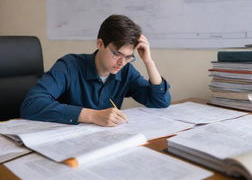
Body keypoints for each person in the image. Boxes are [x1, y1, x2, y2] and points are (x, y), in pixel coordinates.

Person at [20, 15, 171, 126]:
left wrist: (148, 61)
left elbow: (160, 101)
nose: (121, 63)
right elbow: (31, 105)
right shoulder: (69, 65)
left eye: (128, 57)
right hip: (63, 140)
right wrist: (92, 115)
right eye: (117, 54)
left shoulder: (125, 71)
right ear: (100, 44)